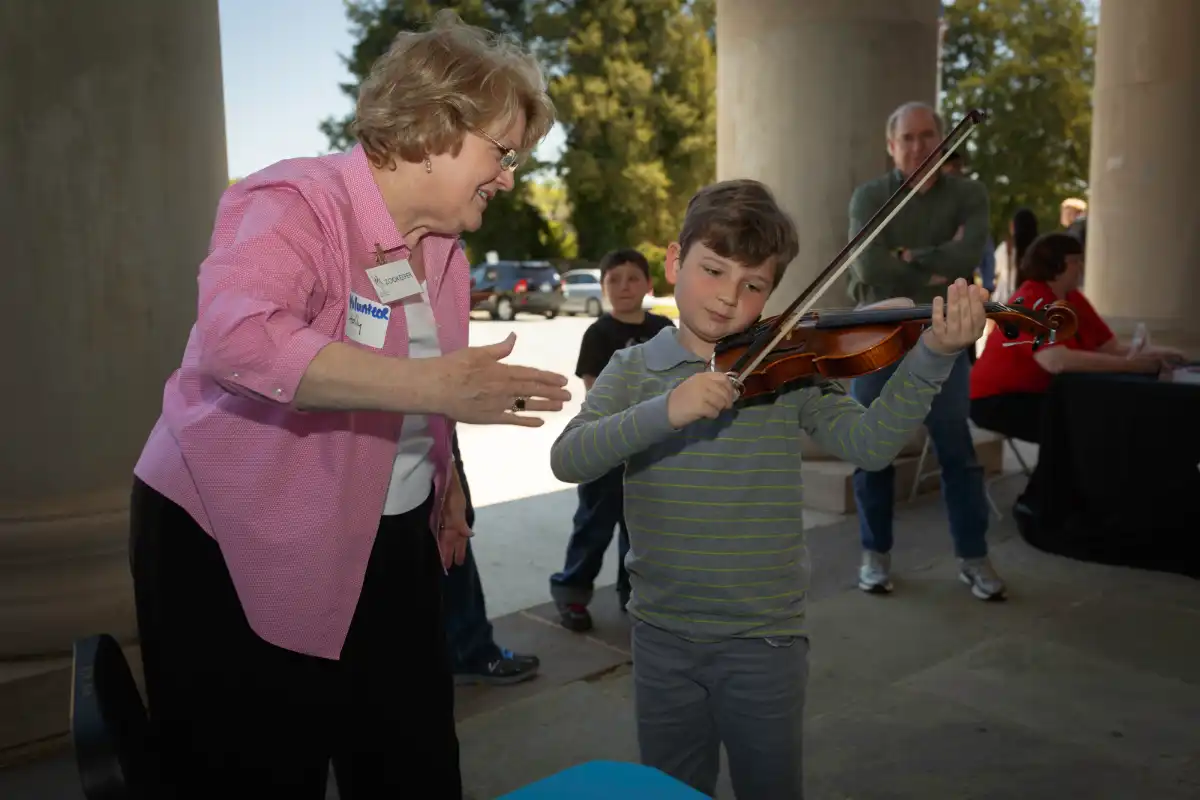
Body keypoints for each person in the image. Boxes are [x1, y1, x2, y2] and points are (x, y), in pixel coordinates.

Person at [128, 12, 570, 798]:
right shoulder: (295, 200)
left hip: (386, 532)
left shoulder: (444, 250)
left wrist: (448, 478)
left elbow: (429, 385)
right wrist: (435, 390)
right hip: (231, 533)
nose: (509, 177)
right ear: (436, 126)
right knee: (257, 765)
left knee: (412, 760)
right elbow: (240, 341)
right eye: (502, 154)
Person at [549, 178, 989, 799]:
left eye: (753, 284)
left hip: (764, 640)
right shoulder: (633, 369)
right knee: (672, 790)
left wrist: (932, 356)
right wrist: (666, 410)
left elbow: (869, 445)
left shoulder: (790, 371)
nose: (729, 298)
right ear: (675, 262)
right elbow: (568, 458)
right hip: (661, 636)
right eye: (712, 270)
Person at [846, 100, 1005, 601]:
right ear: (891, 146)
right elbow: (868, 269)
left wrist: (906, 256)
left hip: (944, 333)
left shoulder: (969, 194)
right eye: (907, 138)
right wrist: (931, 268)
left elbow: (967, 257)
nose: (919, 146)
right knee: (871, 449)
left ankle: (973, 558)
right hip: (878, 335)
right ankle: (875, 555)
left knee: (957, 449)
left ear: (944, 140)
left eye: (928, 135)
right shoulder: (870, 195)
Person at [969, 232, 1185, 529]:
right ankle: (1044, 504)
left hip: (1041, 394)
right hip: (997, 400)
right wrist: (1129, 365)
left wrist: (1169, 353)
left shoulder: (1073, 300)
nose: (1080, 267)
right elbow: (1054, 360)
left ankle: (1089, 500)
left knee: (1099, 419)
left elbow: (1110, 348)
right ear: (1054, 264)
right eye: (1075, 261)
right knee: (1078, 427)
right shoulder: (1029, 299)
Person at [550, 248, 675, 632]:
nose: (624, 287)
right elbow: (595, 394)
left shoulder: (664, 331)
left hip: (652, 452)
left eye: (633, 278)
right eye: (614, 280)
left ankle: (632, 594)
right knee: (594, 527)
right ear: (603, 288)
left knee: (640, 532)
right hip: (608, 450)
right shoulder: (599, 333)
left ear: (649, 284)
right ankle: (572, 593)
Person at [445, 432, 540, 684]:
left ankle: (465, 647)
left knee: (455, 529)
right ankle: (467, 649)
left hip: (430, 434)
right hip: (404, 435)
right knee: (450, 533)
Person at [991, 207, 1039, 304]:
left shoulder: (1007, 247)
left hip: (1006, 301)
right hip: (1033, 301)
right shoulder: (1039, 249)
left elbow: (993, 271)